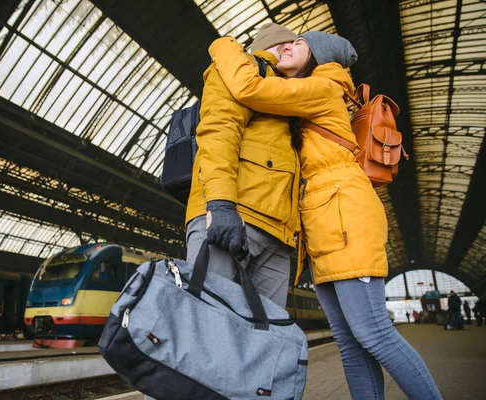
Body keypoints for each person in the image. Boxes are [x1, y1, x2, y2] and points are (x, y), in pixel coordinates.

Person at [209, 31, 442, 400]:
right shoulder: (308, 94)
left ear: (317, 58)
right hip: (324, 222)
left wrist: (222, 45)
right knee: (350, 344)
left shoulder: (322, 87)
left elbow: (248, 88)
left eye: (298, 44)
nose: (287, 46)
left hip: (344, 213)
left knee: (374, 333)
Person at [185, 23, 301, 309]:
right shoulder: (242, 69)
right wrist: (222, 203)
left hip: (277, 236)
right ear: (287, 48)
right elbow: (219, 132)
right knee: (212, 327)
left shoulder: (289, 96)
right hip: (234, 216)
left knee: (263, 339)